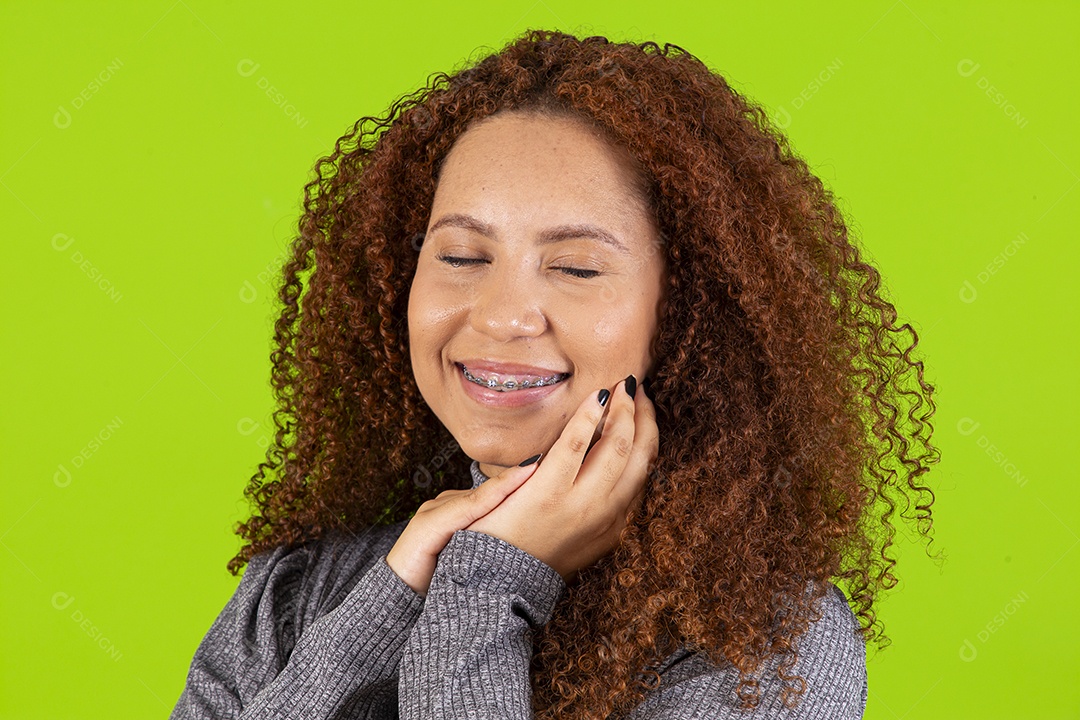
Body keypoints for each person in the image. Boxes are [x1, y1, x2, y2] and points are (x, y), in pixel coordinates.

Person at [168, 29, 940, 720]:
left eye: (575, 267)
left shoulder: (764, 648)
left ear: (689, 311)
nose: (503, 316)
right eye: (462, 256)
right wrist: (386, 603)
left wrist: (488, 586)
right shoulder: (299, 588)